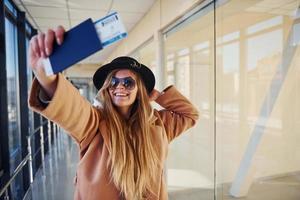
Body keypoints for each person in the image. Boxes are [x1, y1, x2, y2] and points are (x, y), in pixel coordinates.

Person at [28, 26, 199, 200]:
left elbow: (189, 115)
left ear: (139, 89)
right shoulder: (93, 123)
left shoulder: (159, 123)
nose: (119, 87)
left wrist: (157, 95)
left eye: (128, 83)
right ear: (107, 88)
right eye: (113, 82)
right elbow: (71, 108)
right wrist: (46, 76)